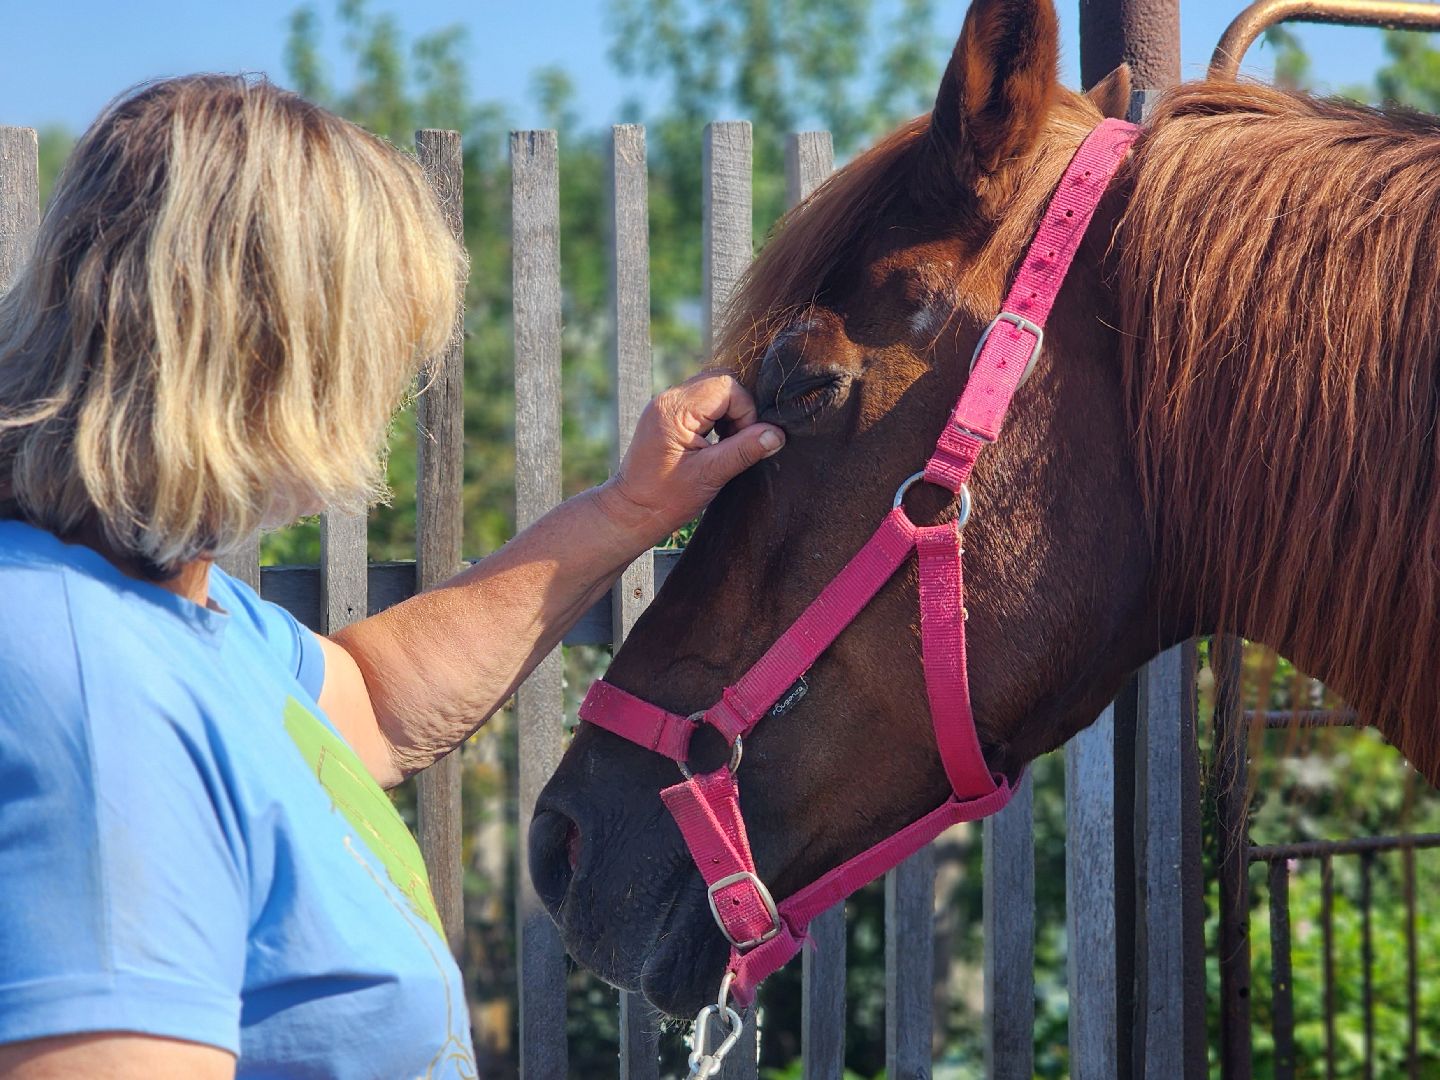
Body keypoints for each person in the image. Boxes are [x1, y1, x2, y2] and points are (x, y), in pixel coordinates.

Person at [0, 75, 784, 1079]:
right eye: (379, 352)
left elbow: (370, 703)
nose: (385, 396)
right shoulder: (84, 689)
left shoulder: (183, 617)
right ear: (266, 352)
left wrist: (628, 511)